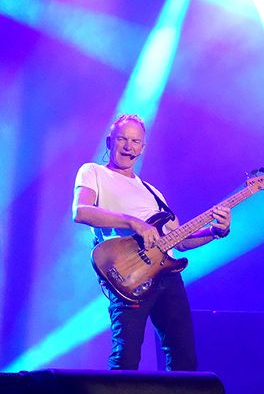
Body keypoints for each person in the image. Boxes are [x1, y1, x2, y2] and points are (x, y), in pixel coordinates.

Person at [73, 114, 231, 370]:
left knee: (183, 358)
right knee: (126, 358)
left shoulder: (154, 193)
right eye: (122, 139)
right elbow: (81, 211)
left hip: (167, 276)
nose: (128, 146)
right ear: (110, 141)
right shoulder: (93, 172)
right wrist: (133, 222)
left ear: (142, 147)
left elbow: (180, 242)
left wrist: (215, 231)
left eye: (135, 141)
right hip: (127, 274)